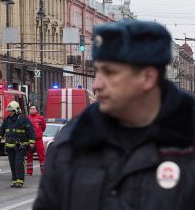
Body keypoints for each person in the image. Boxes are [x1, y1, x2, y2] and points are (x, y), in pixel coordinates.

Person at [34, 19, 195, 210]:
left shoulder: (187, 145)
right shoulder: (72, 142)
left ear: (147, 77)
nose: (97, 84)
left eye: (109, 73)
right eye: (98, 71)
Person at [0, 101, 36, 188]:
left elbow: (31, 130)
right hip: (10, 146)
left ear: (16, 110)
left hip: (20, 146)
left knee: (18, 163)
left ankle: (20, 181)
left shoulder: (23, 118)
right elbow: (2, 129)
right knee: (12, 164)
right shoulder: (7, 119)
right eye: (9, 110)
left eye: (11, 110)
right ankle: (14, 180)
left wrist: (32, 142)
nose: (10, 112)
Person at [26, 105, 46, 175]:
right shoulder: (27, 118)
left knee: (42, 156)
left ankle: (43, 172)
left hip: (38, 140)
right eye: (31, 109)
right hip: (30, 140)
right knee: (29, 156)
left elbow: (43, 128)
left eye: (33, 109)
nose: (32, 110)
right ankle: (29, 172)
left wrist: (38, 134)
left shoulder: (41, 118)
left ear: (36, 110)